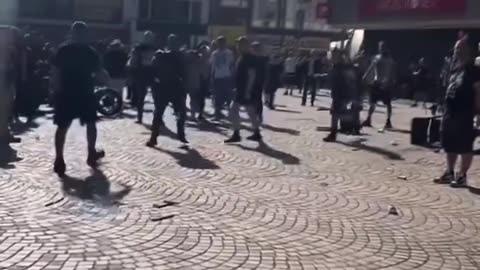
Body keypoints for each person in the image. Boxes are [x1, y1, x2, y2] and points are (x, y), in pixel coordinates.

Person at [51, 21, 108, 176]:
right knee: (91, 124)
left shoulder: (62, 50)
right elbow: (100, 74)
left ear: (72, 33)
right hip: (85, 92)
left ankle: (59, 159)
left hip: (66, 93)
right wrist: (106, 81)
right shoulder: (90, 52)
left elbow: (55, 71)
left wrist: (56, 91)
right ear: (85, 34)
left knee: (62, 127)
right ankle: (91, 153)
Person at [435, 38, 480, 188]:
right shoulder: (455, 69)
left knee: (465, 145)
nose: (456, 51)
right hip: (450, 113)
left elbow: (478, 92)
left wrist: (477, 115)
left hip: (465, 113)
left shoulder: (474, 71)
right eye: (455, 48)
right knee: (449, 144)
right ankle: (449, 173)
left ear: (468, 50)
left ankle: (462, 176)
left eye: (459, 48)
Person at [147, 34, 188, 147]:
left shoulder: (161, 55)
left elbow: (153, 70)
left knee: (160, 113)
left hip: (167, 87)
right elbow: (184, 73)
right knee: (177, 113)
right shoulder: (177, 56)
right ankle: (179, 134)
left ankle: (154, 137)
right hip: (172, 87)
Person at [224, 37, 266, 143]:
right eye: (238, 45)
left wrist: (247, 91)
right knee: (250, 112)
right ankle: (256, 133)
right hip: (242, 89)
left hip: (245, 90)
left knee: (233, 110)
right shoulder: (242, 57)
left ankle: (237, 134)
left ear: (245, 46)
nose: (238, 47)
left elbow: (252, 75)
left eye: (240, 45)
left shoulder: (249, 58)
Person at [323, 50, 359, 142]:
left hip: (342, 93)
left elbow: (350, 81)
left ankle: (334, 133)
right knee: (336, 113)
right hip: (337, 93)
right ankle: (353, 123)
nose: (331, 58)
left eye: (333, 56)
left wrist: (350, 94)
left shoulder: (343, 67)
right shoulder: (336, 66)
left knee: (336, 114)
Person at [362, 41, 396, 129]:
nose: (381, 48)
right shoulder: (377, 57)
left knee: (388, 103)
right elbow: (371, 67)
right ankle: (368, 119)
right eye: (380, 47)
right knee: (372, 102)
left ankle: (388, 121)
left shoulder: (389, 60)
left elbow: (391, 72)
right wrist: (365, 76)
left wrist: (391, 81)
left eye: (382, 47)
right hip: (377, 82)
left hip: (385, 84)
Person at [127, 31, 156, 124]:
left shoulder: (140, 48)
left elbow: (132, 62)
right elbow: (133, 61)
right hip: (143, 74)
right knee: (142, 97)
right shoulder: (140, 48)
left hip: (148, 74)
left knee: (155, 97)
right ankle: (140, 117)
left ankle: (157, 117)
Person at [210, 36, 235, 120]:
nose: (220, 44)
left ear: (225, 43)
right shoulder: (214, 53)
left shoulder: (229, 53)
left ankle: (231, 114)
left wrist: (232, 77)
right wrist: (211, 76)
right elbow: (212, 66)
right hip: (217, 77)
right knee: (217, 97)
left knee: (228, 97)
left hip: (226, 77)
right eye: (219, 42)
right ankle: (217, 114)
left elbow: (231, 65)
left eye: (222, 42)